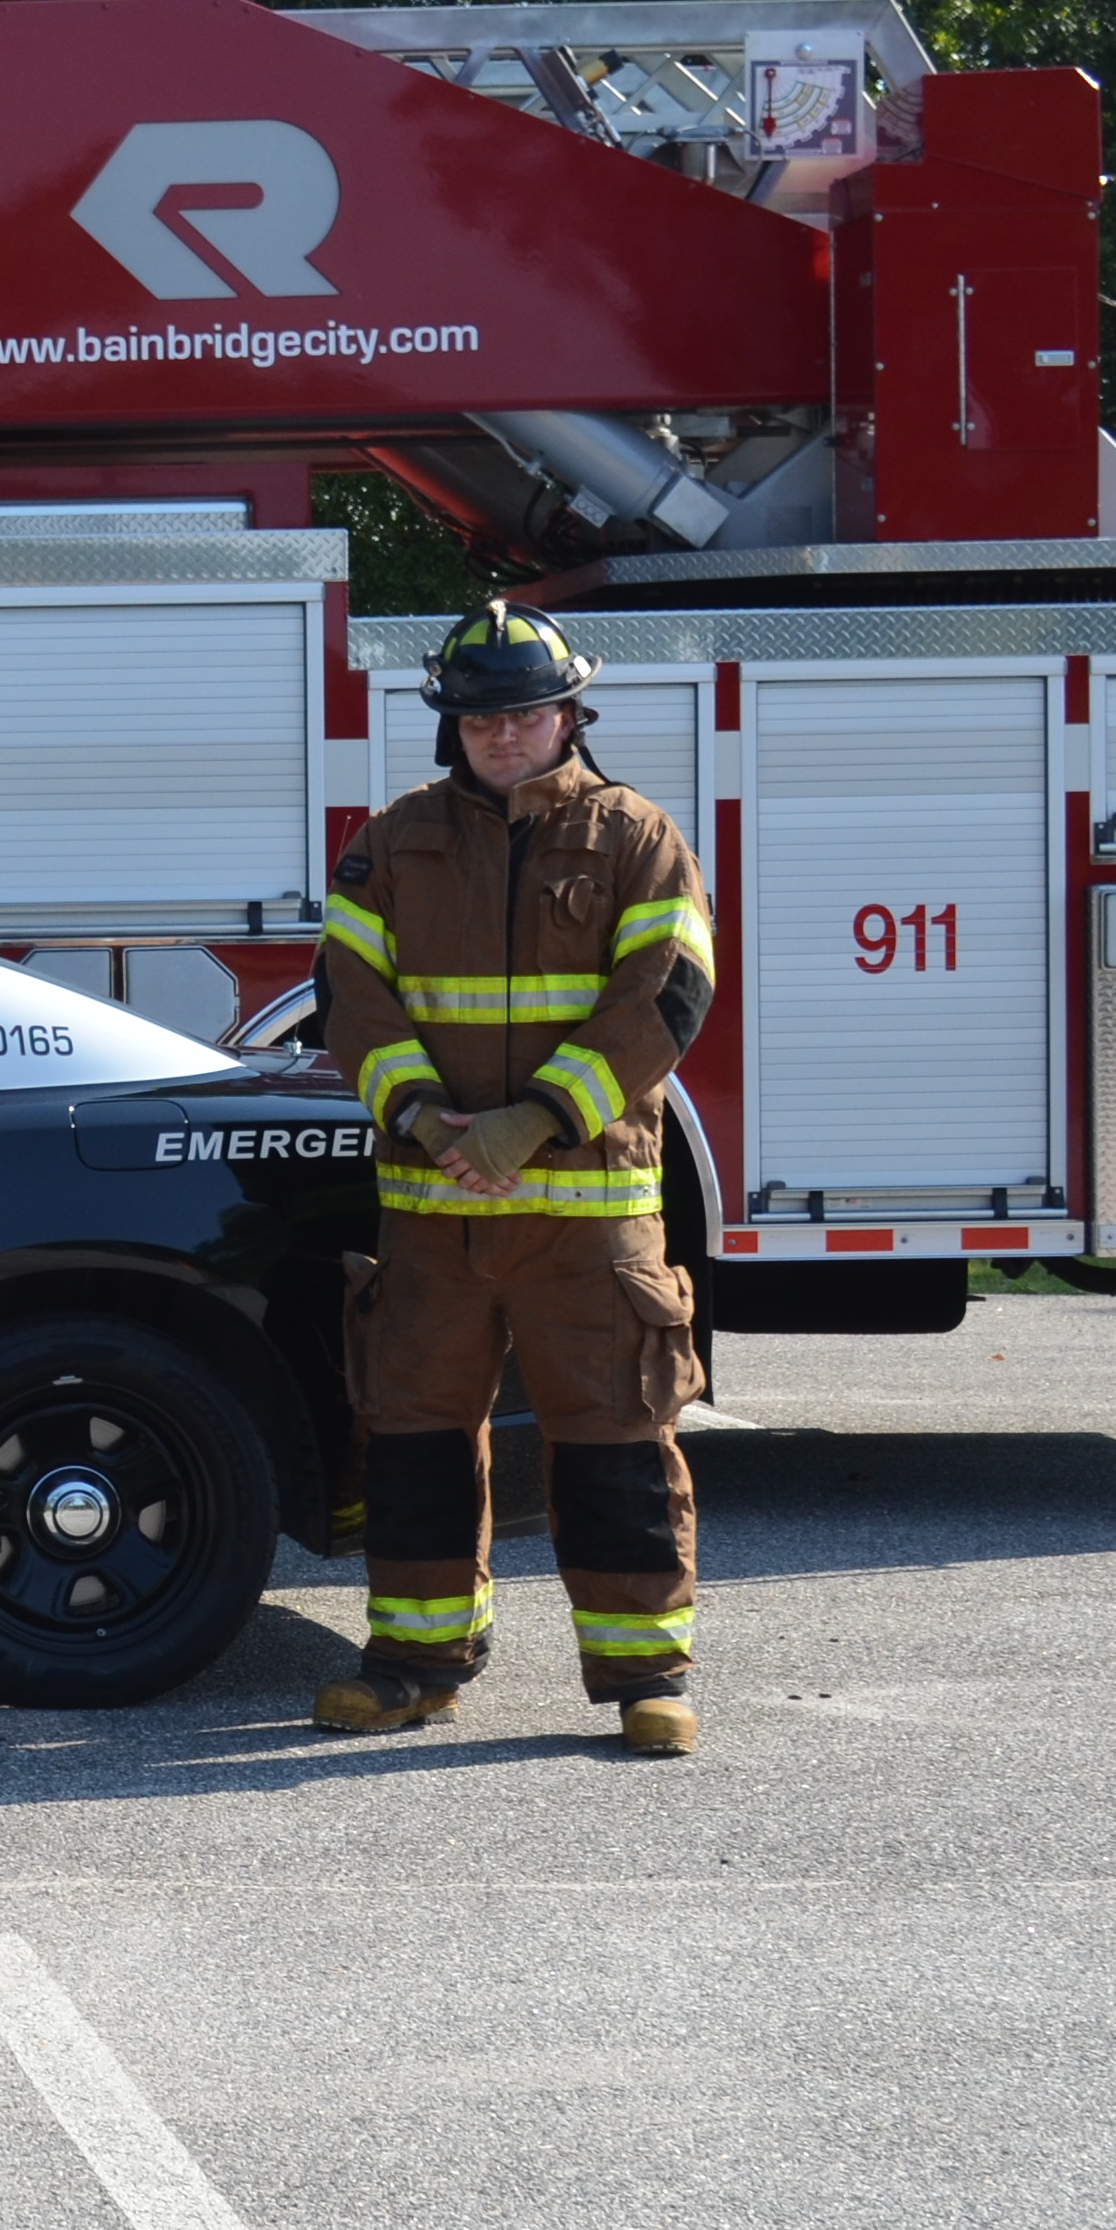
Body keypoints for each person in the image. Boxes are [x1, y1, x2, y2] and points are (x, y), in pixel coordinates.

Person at [310, 600, 716, 1757]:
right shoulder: (387, 844)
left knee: (614, 1441)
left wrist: (533, 1122)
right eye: (480, 716)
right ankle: (414, 1665)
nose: (503, 734)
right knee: (416, 1440)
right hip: (433, 1214)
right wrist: (426, 1116)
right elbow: (351, 995)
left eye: (524, 712)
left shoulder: (636, 838)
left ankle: (645, 1678)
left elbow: (667, 998)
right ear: (451, 727)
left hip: (586, 1220)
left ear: (567, 715)